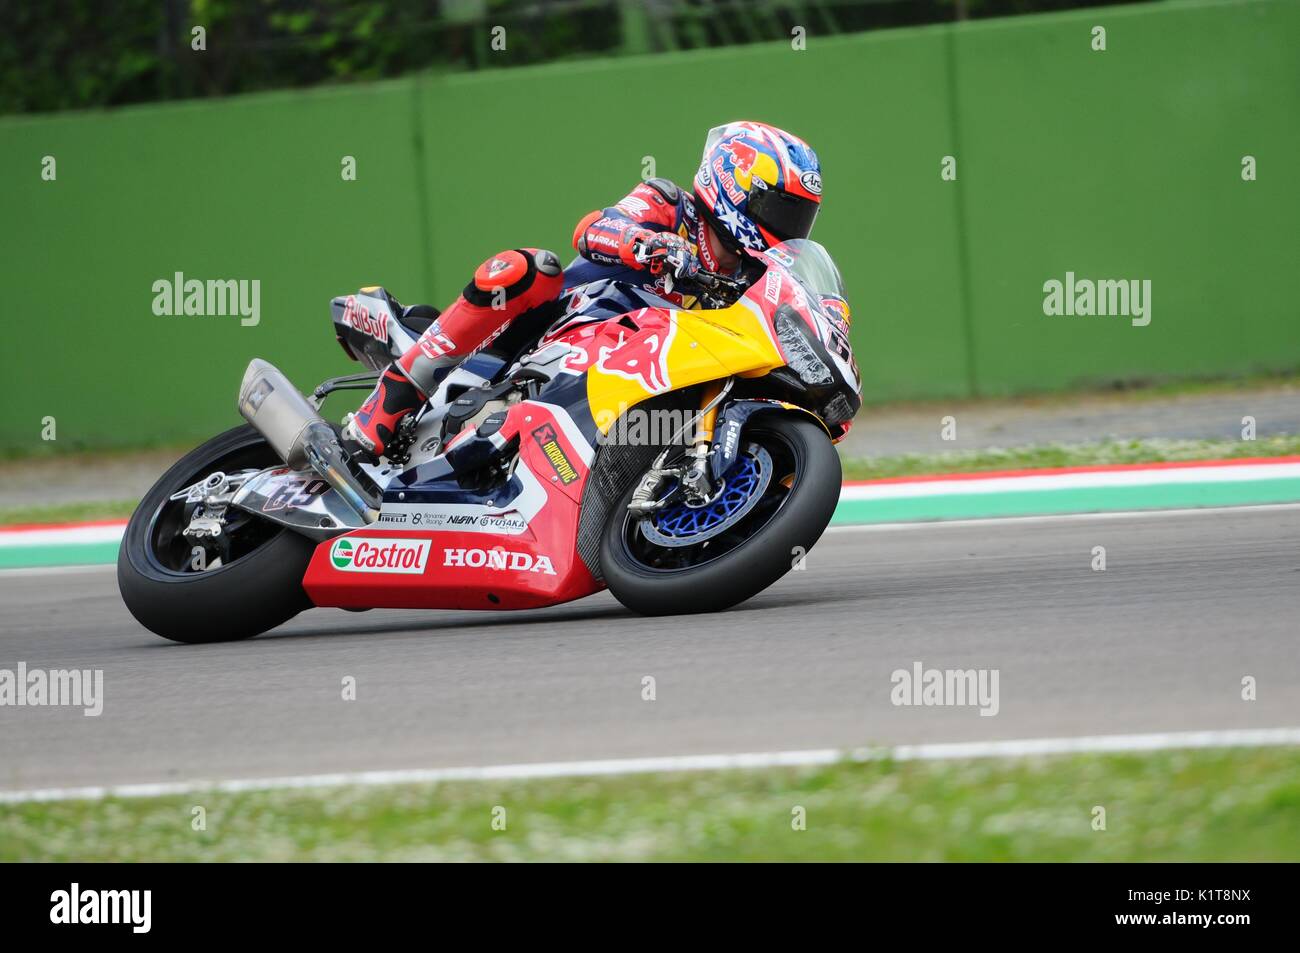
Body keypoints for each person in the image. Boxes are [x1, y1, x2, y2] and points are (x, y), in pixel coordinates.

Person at [341, 120, 823, 460]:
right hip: (548, 333)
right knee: (531, 268)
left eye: (799, 217)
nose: (788, 226)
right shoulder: (670, 204)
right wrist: (649, 244)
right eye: (780, 208)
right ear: (734, 186)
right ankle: (386, 406)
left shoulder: (749, 278)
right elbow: (592, 229)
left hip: (624, 376)